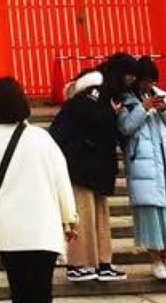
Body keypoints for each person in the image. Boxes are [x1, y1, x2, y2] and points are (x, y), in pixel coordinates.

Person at [0, 76, 79, 303]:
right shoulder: (42, 138)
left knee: (19, 293)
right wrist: (69, 219)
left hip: (9, 233)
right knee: (41, 293)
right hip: (43, 230)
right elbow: (61, 182)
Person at [49, 51, 137, 283]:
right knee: (83, 213)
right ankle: (78, 263)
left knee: (99, 213)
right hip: (80, 160)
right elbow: (87, 115)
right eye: (129, 75)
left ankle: (102, 261)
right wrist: (112, 112)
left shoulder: (107, 89)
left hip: (96, 161)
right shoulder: (95, 86)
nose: (131, 81)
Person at [119, 56, 166, 281]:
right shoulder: (126, 100)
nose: (148, 85)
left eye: (151, 81)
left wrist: (165, 109)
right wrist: (142, 108)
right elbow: (125, 127)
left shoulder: (161, 95)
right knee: (151, 212)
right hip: (144, 163)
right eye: (145, 81)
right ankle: (155, 261)